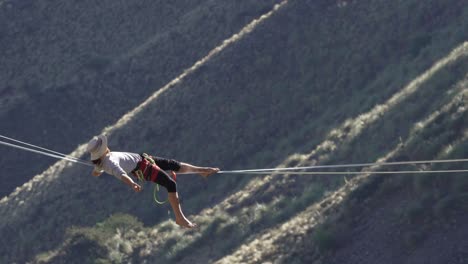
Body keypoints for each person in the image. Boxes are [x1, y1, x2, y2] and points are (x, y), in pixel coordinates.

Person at [86, 135, 219, 228]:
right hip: (143, 169)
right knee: (170, 184)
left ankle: (202, 171)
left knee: (172, 164)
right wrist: (132, 183)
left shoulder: (103, 161)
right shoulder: (109, 162)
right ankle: (180, 218)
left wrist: (96, 171)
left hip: (144, 160)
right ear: (102, 151)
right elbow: (120, 174)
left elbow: (97, 173)